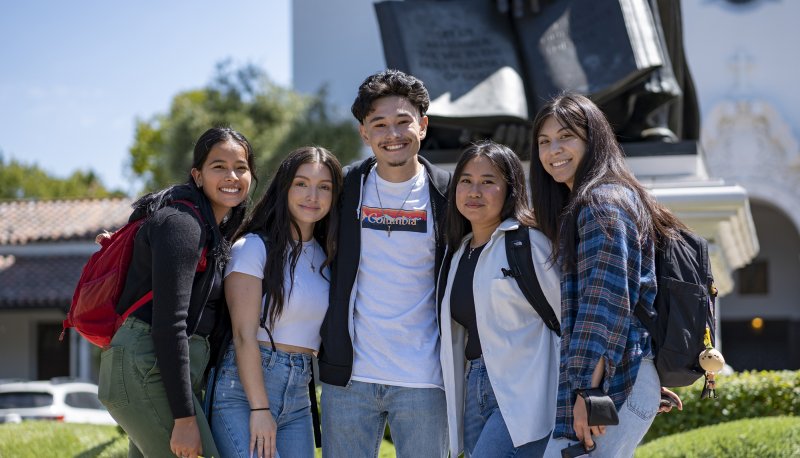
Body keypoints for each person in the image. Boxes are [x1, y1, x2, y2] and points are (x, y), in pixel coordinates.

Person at [529, 93, 685, 458]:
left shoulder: (601, 203)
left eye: (566, 137)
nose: (554, 150)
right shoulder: (613, 197)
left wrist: (589, 392)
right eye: (544, 141)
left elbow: (606, 304)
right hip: (622, 376)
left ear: (593, 139)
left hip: (610, 384)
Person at [317, 69, 452, 457]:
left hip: (426, 379)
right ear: (364, 132)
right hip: (349, 379)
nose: (392, 134)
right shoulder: (343, 190)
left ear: (422, 126)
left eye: (402, 121)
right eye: (379, 124)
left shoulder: (450, 194)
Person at [98, 127, 255, 458]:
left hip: (155, 373)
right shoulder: (182, 223)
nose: (232, 175)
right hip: (147, 370)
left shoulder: (212, 230)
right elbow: (170, 325)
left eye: (241, 167)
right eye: (219, 166)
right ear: (197, 176)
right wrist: (185, 418)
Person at [209, 146, 343, 458]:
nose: (313, 196)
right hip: (244, 393)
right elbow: (243, 337)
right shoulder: (254, 248)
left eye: (324, 187)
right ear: (284, 187)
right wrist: (260, 408)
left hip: (299, 393)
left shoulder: (326, 256)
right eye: (301, 183)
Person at [438, 141, 561, 457]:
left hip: (527, 391)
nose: (474, 191)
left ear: (511, 189)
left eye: (488, 181)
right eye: (465, 180)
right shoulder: (458, 254)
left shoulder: (528, 243)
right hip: (475, 385)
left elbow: (569, 316)